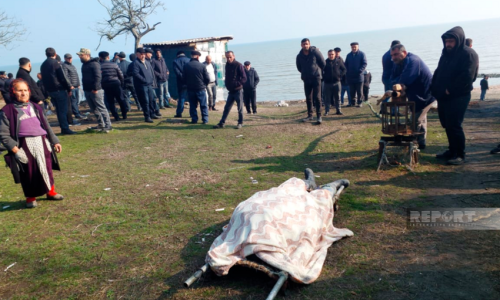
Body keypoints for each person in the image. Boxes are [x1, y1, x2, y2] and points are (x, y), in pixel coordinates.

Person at [0, 79, 64, 208]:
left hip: (42, 141)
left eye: (25, 90)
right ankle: (30, 198)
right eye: (19, 90)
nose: (23, 93)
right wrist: (15, 150)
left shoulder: (36, 107)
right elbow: (3, 134)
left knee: (46, 168)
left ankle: (51, 192)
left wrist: (54, 141)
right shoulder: (7, 111)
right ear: (13, 92)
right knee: (28, 172)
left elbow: (46, 126)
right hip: (23, 144)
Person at [431, 26, 479, 165]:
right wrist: (434, 87)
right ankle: (452, 150)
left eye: (451, 41)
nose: (448, 44)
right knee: (447, 124)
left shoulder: (468, 54)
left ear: (458, 40)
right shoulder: (446, 53)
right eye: (446, 41)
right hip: (443, 96)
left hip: (458, 96)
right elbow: (439, 71)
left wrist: (449, 89)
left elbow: (467, 76)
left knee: (454, 125)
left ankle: (459, 154)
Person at [387, 44, 436, 150]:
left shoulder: (413, 61)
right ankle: (421, 143)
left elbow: (405, 79)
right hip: (414, 95)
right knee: (420, 118)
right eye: (392, 55)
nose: (393, 57)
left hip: (425, 95)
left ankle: (413, 142)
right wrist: (398, 85)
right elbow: (392, 79)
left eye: (396, 54)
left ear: (404, 53)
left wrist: (401, 85)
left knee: (415, 119)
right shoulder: (398, 63)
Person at [77, 48, 112, 132]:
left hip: (96, 90)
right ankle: (101, 124)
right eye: (79, 55)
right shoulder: (84, 65)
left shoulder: (94, 64)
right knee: (94, 109)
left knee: (101, 107)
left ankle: (108, 125)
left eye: (81, 55)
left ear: (87, 55)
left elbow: (98, 77)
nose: (80, 57)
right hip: (87, 90)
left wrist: (95, 88)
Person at [40, 47, 75, 134]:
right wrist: (68, 88)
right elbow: (62, 77)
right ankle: (65, 128)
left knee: (59, 110)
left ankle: (63, 127)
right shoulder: (55, 63)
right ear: (55, 54)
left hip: (50, 90)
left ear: (46, 55)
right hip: (59, 89)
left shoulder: (43, 65)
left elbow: (43, 79)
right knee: (62, 110)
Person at [213, 51, 247, 129]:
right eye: (227, 57)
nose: (228, 58)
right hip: (231, 91)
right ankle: (222, 123)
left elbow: (244, 78)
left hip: (238, 90)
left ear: (233, 56)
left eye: (230, 57)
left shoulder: (239, 65)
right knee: (227, 108)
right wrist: (226, 83)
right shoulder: (227, 65)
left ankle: (240, 122)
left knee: (240, 108)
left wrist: (237, 84)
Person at [296, 38, 325, 124]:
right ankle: (310, 115)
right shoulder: (299, 56)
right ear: (301, 45)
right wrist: (305, 73)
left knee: (317, 97)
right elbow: (299, 67)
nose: (305, 45)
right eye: (304, 44)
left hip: (316, 78)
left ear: (309, 44)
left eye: (307, 44)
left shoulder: (315, 52)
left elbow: (323, 63)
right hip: (306, 79)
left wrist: (317, 71)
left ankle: (319, 116)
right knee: (308, 98)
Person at [130, 48, 159, 123]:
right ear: (137, 54)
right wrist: (144, 80)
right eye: (141, 54)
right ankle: (147, 116)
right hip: (141, 85)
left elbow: (151, 71)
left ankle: (152, 113)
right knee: (145, 101)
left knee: (151, 100)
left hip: (149, 84)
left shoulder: (147, 62)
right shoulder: (135, 63)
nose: (143, 56)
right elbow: (136, 74)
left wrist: (152, 80)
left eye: (143, 54)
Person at [99, 51, 128, 121]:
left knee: (110, 102)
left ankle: (116, 116)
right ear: (108, 57)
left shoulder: (99, 66)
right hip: (116, 83)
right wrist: (121, 83)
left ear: (100, 58)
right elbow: (121, 75)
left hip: (106, 85)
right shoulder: (114, 64)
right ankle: (124, 114)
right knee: (121, 100)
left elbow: (98, 77)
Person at [183, 50, 210, 124]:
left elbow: (183, 78)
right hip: (200, 88)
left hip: (191, 89)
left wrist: (188, 84)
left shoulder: (186, 66)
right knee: (203, 105)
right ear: (198, 56)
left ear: (191, 56)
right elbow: (207, 78)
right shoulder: (202, 66)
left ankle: (194, 119)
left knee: (192, 105)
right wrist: (204, 85)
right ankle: (205, 119)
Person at [61, 53, 84, 120]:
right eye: (68, 58)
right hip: (72, 87)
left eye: (70, 58)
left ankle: (77, 112)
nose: (70, 59)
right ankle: (76, 114)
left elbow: (76, 76)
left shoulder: (72, 66)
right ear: (65, 58)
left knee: (76, 100)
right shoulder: (64, 66)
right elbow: (66, 77)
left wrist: (79, 84)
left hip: (76, 86)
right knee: (73, 101)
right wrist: (70, 86)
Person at [323, 49, 346, 116]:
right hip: (327, 83)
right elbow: (321, 71)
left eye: (332, 54)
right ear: (328, 55)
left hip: (337, 82)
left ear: (335, 54)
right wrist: (324, 78)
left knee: (337, 97)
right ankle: (327, 111)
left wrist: (340, 76)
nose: (331, 56)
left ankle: (338, 110)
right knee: (327, 98)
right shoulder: (325, 62)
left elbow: (344, 69)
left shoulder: (339, 61)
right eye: (329, 54)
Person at [345, 42, 367, 108]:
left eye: (355, 47)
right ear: (351, 47)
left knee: (359, 91)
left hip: (359, 76)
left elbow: (364, 63)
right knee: (352, 91)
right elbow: (346, 65)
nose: (354, 48)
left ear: (358, 47)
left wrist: (360, 70)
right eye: (352, 47)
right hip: (350, 76)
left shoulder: (362, 54)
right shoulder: (348, 55)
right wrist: (347, 72)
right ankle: (352, 102)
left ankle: (360, 102)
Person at [173, 51, 191, 118]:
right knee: (191, 98)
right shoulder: (189, 60)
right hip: (189, 82)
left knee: (181, 98)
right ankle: (192, 113)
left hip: (181, 83)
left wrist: (183, 77)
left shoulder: (175, 61)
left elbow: (177, 72)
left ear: (178, 55)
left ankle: (179, 113)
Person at [145, 48, 161, 116]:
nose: (151, 55)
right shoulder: (145, 62)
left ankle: (156, 110)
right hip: (148, 83)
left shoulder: (150, 61)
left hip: (152, 83)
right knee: (151, 99)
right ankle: (153, 112)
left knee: (153, 98)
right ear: (146, 54)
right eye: (150, 53)